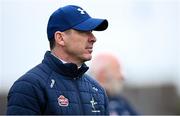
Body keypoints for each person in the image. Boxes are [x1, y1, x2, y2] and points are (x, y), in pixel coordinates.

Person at [6, 5, 109, 115]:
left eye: (91, 31)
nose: (93, 38)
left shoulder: (97, 90)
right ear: (60, 38)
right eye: (84, 31)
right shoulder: (29, 87)